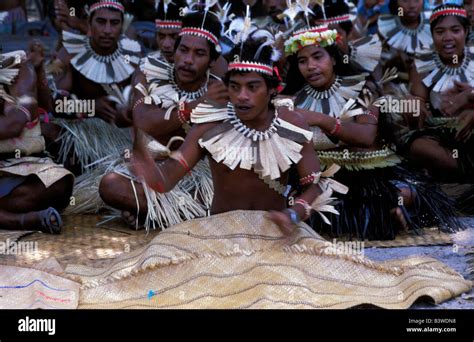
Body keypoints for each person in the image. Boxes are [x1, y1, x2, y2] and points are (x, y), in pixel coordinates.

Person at [99, 10, 227, 229]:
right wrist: (195, 106)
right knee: (110, 185)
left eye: (199, 54)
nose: (188, 60)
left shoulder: (221, 90)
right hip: (149, 172)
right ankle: (179, 214)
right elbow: (143, 122)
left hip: (198, 180)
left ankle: (154, 214)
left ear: (212, 60)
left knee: (218, 196)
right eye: (183, 50)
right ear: (174, 51)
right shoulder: (148, 74)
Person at [0, 49, 73, 233]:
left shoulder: (19, 67)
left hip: (25, 168)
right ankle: (24, 220)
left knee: (59, 184)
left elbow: (14, 124)